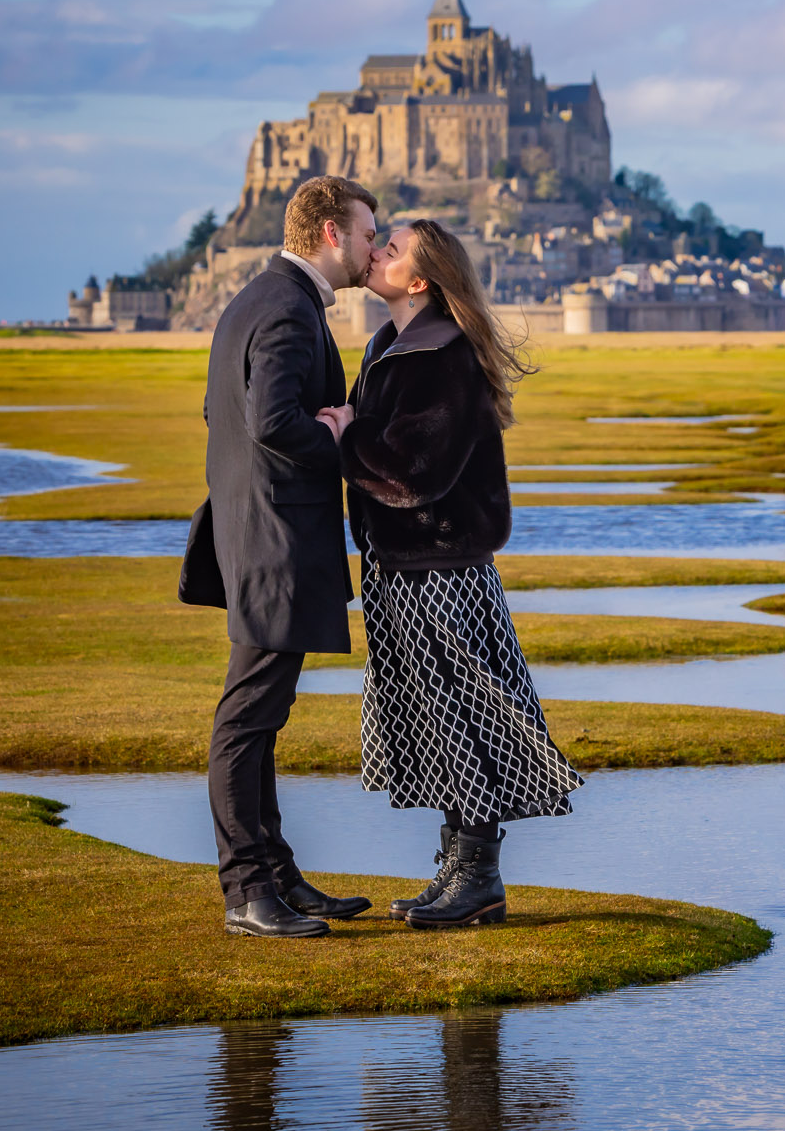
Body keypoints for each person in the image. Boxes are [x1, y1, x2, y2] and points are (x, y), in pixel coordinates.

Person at [340, 219, 583, 929]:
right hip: (405, 564)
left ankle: (477, 875)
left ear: (419, 280)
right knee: (438, 716)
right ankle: (458, 869)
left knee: (465, 717)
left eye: (392, 249)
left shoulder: (438, 355)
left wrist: (341, 436)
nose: (376, 250)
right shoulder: (395, 344)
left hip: (440, 566)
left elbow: (415, 474)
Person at [179, 175, 378, 939]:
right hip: (275, 541)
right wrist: (334, 430)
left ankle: (276, 875)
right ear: (331, 234)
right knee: (247, 717)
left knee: (261, 713)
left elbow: (217, 409)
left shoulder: (256, 299)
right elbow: (270, 422)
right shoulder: (290, 309)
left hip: (252, 531)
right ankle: (247, 892)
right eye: (367, 233)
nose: (371, 247)